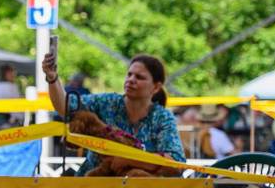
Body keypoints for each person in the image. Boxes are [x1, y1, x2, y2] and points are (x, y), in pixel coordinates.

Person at [43, 51, 185, 176]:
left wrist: (127, 159)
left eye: (139, 77)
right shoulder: (106, 102)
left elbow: (176, 163)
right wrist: (52, 78)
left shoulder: (162, 117)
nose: (131, 80)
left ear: (156, 87)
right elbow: (65, 106)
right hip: (92, 187)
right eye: (129, 74)